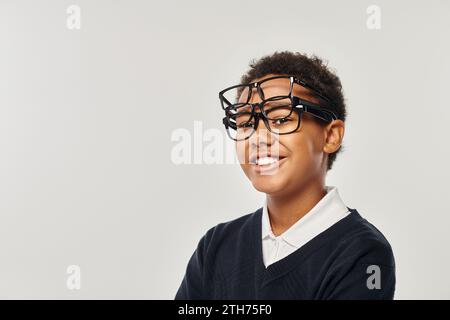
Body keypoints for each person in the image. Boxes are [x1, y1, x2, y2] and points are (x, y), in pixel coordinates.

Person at [175, 51, 396, 299]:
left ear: (330, 135)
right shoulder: (216, 246)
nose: (258, 137)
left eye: (280, 119)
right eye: (246, 123)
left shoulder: (364, 255)